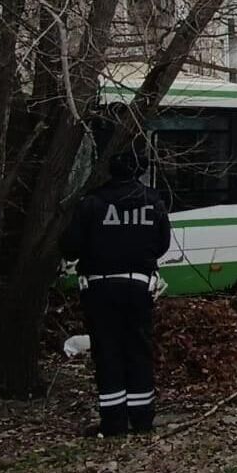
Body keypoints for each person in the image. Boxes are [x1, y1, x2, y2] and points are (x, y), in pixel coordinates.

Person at [61, 145, 171, 437]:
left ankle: (113, 423)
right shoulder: (153, 201)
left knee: (107, 352)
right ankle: (143, 420)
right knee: (138, 350)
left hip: (99, 288)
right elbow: (162, 244)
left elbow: (70, 246)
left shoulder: (92, 202)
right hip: (139, 286)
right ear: (140, 170)